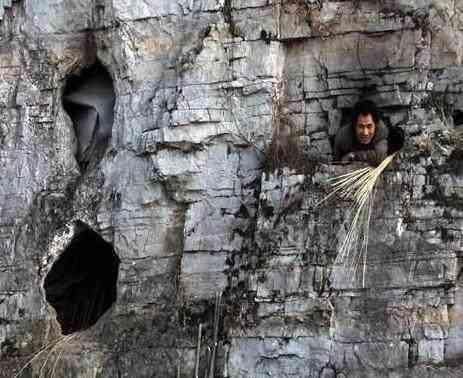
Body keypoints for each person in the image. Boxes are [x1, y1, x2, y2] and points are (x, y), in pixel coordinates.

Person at [334, 100, 389, 166]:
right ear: (354, 125)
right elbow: (336, 162)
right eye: (361, 126)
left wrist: (355, 156)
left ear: (376, 125)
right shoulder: (343, 137)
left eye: (369, 126)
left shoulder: (382, 132)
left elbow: (380, 157)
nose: (365, 133)